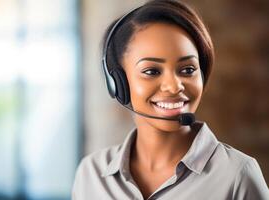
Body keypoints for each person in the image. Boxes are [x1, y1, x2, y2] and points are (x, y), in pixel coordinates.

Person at [72, 0, 269, 199]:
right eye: (152, 71)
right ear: (117, 83)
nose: (175, 86)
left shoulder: (238, 176)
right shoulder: (92, 173)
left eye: (188, 70)